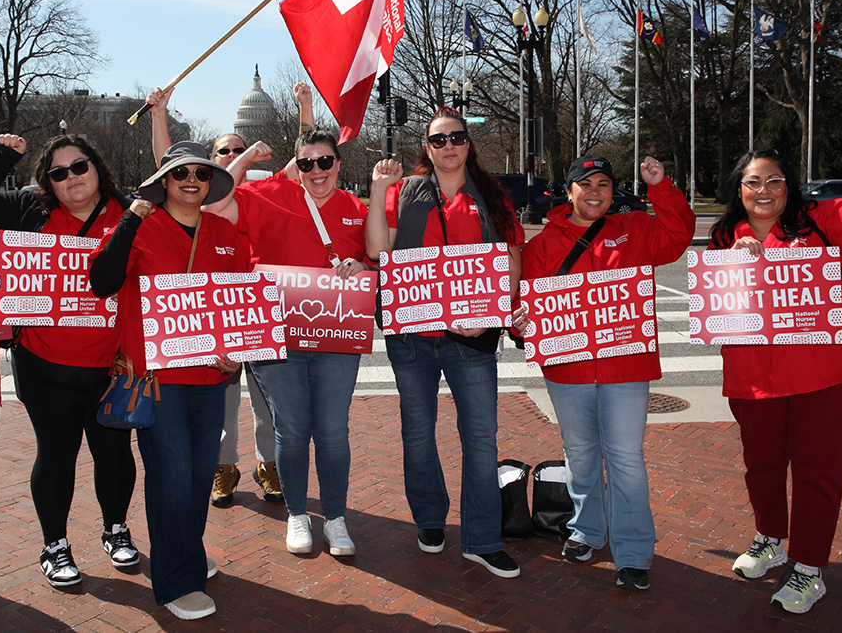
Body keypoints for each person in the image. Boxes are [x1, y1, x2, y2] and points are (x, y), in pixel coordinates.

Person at [709, 118, 842, 614]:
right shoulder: (725, 234)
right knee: (762, 468)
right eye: (753, 181)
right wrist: (737, 260)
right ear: (739, 189)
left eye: (775, 180)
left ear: (789, 187)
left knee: (817, 472)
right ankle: (770, 538)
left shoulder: (818, 219)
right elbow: (720, 306)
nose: (765, 190)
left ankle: (810, 567)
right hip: (754, 378)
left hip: (822, 375)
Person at [513, 155, 696, 591]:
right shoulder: (542, 246)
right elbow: (529, 305)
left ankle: (633, 551)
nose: (595, 192)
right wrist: (521, 320)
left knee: (626, 458)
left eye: (603, 184)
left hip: (626, 366)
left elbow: (679, 236)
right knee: (580, 454)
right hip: (567, 369)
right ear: (569, 190)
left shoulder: (637, 229)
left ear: (613, 192)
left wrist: (661, 187)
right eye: (586, 184)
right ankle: (587, 530)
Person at [0, 134, 138, 587]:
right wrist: (2, 155)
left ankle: (116, 528)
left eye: (79, 166)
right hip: (45, 367)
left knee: (115, 454)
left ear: (98, 167)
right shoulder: (30, 211)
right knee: (56, 455)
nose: (71, 178)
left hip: (110, 367)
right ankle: (54, 544)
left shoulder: (131, 212)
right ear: (48, 182)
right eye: (58, 173)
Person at [88, 141, 246, 620]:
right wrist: (130, 218)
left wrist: (238, 355)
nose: (192, 181)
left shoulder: (225, 232)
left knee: (199, 477)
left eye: (200, 173)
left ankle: (186, 555)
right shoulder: (141, 227)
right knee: (172, 478)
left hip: (209, 377)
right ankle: (177, 581)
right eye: (181, 175)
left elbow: (241, 302)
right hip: (158, 379)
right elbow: (102, 280)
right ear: (164, 182)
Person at [366, 106, 526, 578]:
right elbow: (378, 250)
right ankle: (430, 518)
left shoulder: (492, 196)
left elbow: (511, 258)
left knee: (480, 438)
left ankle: (482, 538)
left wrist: (495, 313)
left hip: (471, 340)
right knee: (418, 433)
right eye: (438, 140)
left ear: (468, 144)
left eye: (457, 137)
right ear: (427, 148)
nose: (449, 145)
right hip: (412, 337)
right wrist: (378, 190)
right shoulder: (406, 192)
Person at [202, 121, 370, 557]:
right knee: (292, 430)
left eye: (325, 161)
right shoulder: (268, 198)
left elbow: (378, 261)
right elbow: (215, 203)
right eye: (307, 162)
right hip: (278, 338)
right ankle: (297, 514)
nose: (317, 170)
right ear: (296, 166)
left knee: (333, 430)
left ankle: (334, 517)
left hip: (336, 336)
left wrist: (361, 268)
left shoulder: (356, 207)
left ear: (338, 163)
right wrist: (245, 159)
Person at [146, 86, 286, 508]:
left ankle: (270, 465)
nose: (231, 155)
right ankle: (223, 468)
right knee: (222, 405)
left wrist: (304, 108)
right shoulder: (199, 198)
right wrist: (158, 116)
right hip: (208, 317)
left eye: (238, 149)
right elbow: (166, 165)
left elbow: (306, 162)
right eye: (223, 152)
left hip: (253, 309)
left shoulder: (259, 192)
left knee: (266, 405)